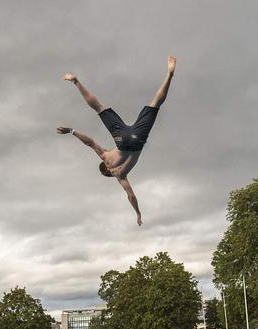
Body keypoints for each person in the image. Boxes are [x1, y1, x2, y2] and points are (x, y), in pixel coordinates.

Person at [58, 56, 177, 225]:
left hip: (138, 140)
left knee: (156, 104)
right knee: (99, 107)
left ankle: (170, 75)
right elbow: (90, 142)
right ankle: (76, 82)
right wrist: (71, 131)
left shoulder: (121, 176)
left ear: (107, 172)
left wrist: (138, 213)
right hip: (121, 139)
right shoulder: (104, 155)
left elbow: (131, 196)